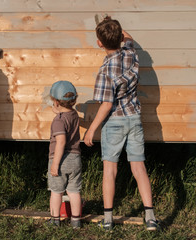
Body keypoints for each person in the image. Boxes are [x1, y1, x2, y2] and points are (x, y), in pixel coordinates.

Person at [83, 17, 159, 231]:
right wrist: (112, 24)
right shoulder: (130, 54)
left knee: (110, 170)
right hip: (134, 118)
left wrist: (91, 129)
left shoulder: (105, 70)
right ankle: (150, 218)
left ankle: (108, 220)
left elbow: (107, 105)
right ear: (119, 37)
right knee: (139, 167)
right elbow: (128, 37)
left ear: (99, 42)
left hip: (114, 121)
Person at [47, 80, 82, 228]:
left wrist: (55, 164)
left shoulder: (58, 121)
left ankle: (55, 220)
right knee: (74, 191)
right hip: (76, 158)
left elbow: (61, 142)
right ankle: (76, 221)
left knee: (56, 191)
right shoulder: (73, 115)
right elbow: (65, 113)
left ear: (55, 101)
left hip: (61, 160)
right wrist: (59, 111)